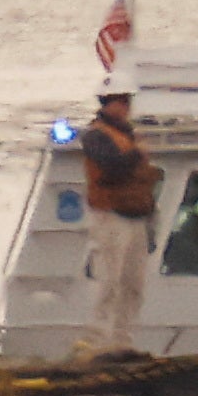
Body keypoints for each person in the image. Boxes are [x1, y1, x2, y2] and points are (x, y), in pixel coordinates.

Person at [75, 85, 157, 357]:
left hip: (136, 217)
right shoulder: (96, 135)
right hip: (109, 216)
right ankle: (95, 340)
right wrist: (137, 154)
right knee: (108, 280)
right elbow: (112, 166)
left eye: (127, 101)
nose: (124, 107)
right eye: (119, 101)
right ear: (106, 103)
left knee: (133, 284)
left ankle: (122, 340)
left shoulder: (129, 135)